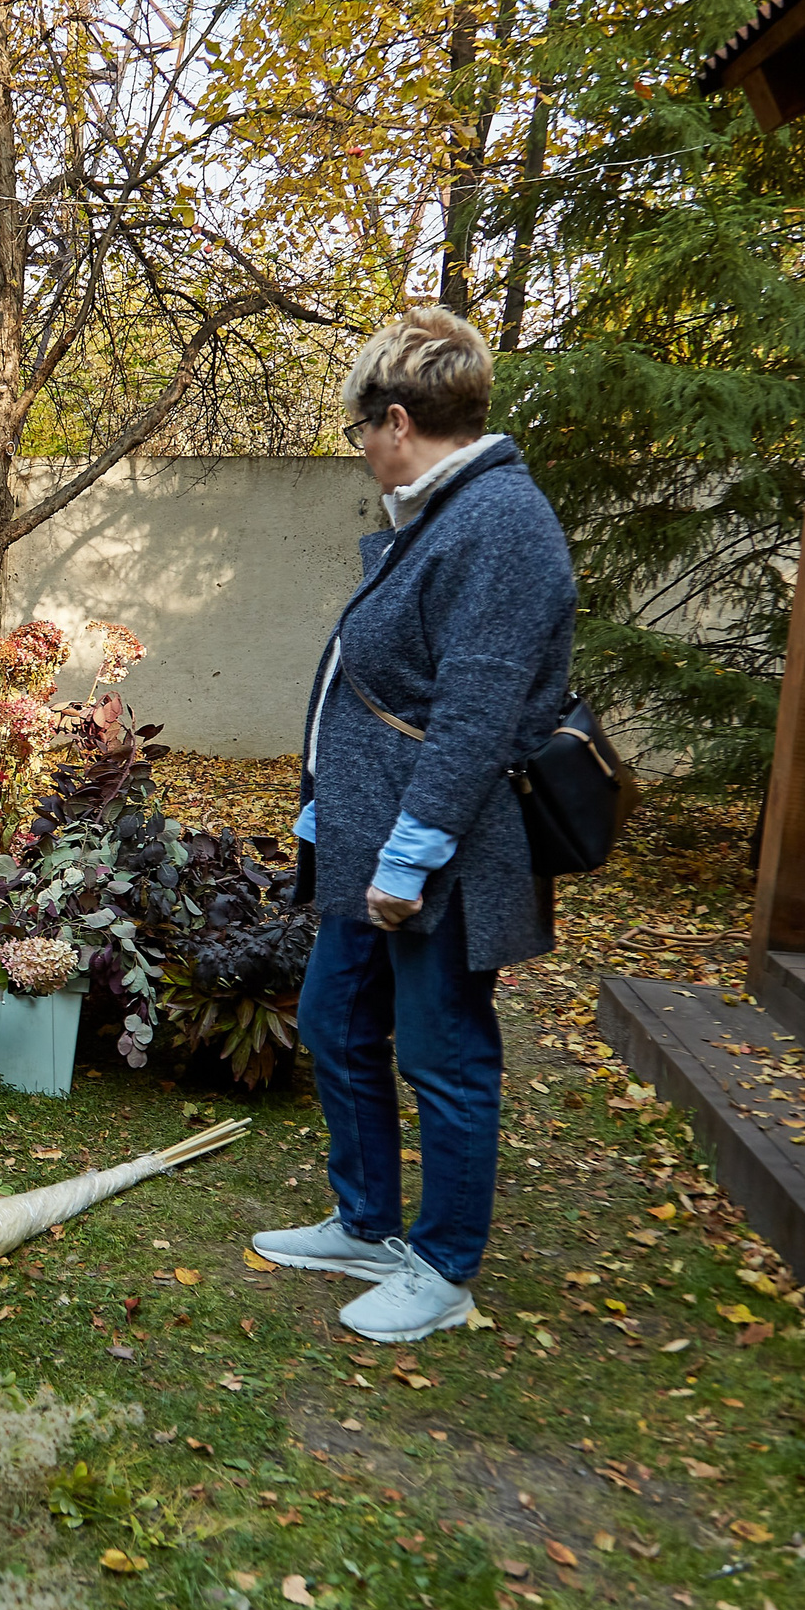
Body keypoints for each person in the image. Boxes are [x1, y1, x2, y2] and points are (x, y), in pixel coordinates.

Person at [250, 307, 576, 1344]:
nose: (359, 454)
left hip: (439, 849)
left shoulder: (501, 525)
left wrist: (406, 858)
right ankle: (364, 1221)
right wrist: (324, 808)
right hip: (367, 834)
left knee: (443, 1052)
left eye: (358, 432)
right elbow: (378, 686)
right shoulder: (438, 516)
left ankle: (441, 1266)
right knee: (338, 1024)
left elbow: (476, 719)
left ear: (396, 420)